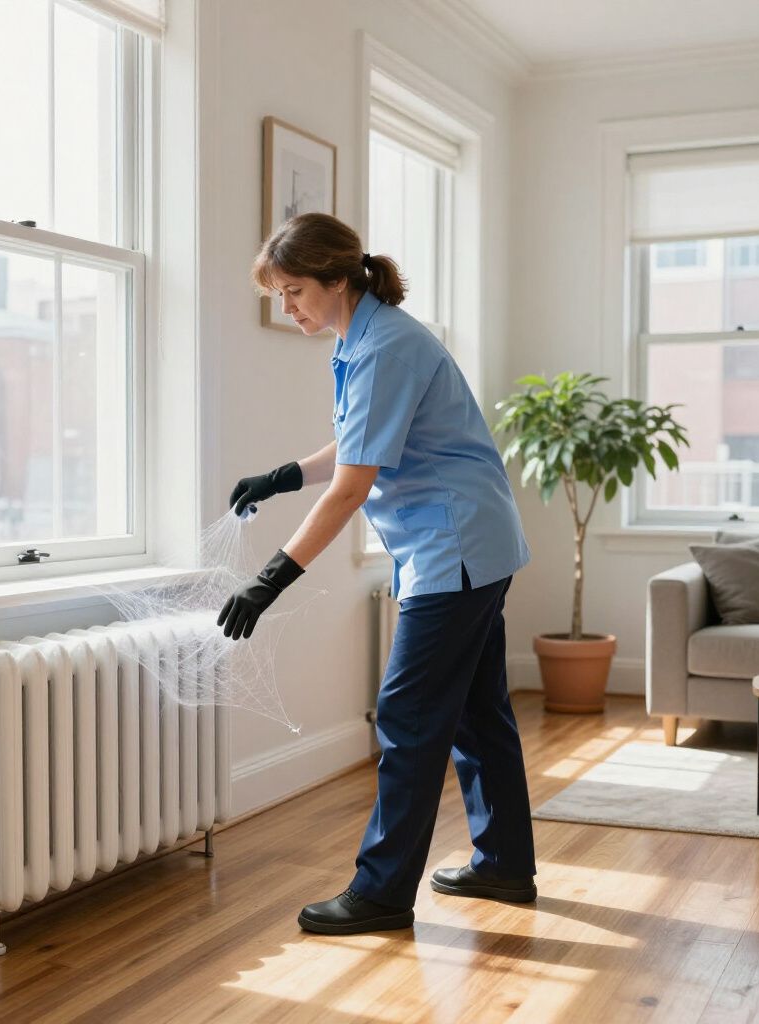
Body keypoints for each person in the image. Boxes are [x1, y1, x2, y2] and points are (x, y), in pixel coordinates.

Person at [217, 213, 536, 936]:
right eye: (279, 295)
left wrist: (271, 579)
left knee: (409, 717)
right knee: (479, 712)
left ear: (336, 279)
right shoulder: (369, 337)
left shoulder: (385, 346)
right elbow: (360, 441)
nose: (287, 307)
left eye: (294, 291)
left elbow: (353, 487)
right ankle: (504, 864)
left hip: (452, 550)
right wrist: (282, 476)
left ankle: (383, 891)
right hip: (474, 544)